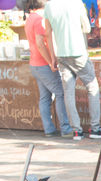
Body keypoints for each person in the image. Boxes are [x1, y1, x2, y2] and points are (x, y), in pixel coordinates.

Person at [44, 0, 101, 140]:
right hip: (78, 52)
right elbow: (87, 28)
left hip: (61, 55)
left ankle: (76, 131)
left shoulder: (49, 6)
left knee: (68, 92)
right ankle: (95, 128)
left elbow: (48, 33)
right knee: (92, 86)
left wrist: (52, 57)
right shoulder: (77, 3)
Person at [25, 0, 71, 137]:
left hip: (34, 64)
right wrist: (50, 61)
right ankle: (65, 128)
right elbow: (40, 43)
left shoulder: (30, 18)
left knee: (45, 97)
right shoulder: (39, 20)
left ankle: (49, 129)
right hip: (42, 64)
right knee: (60, 93)